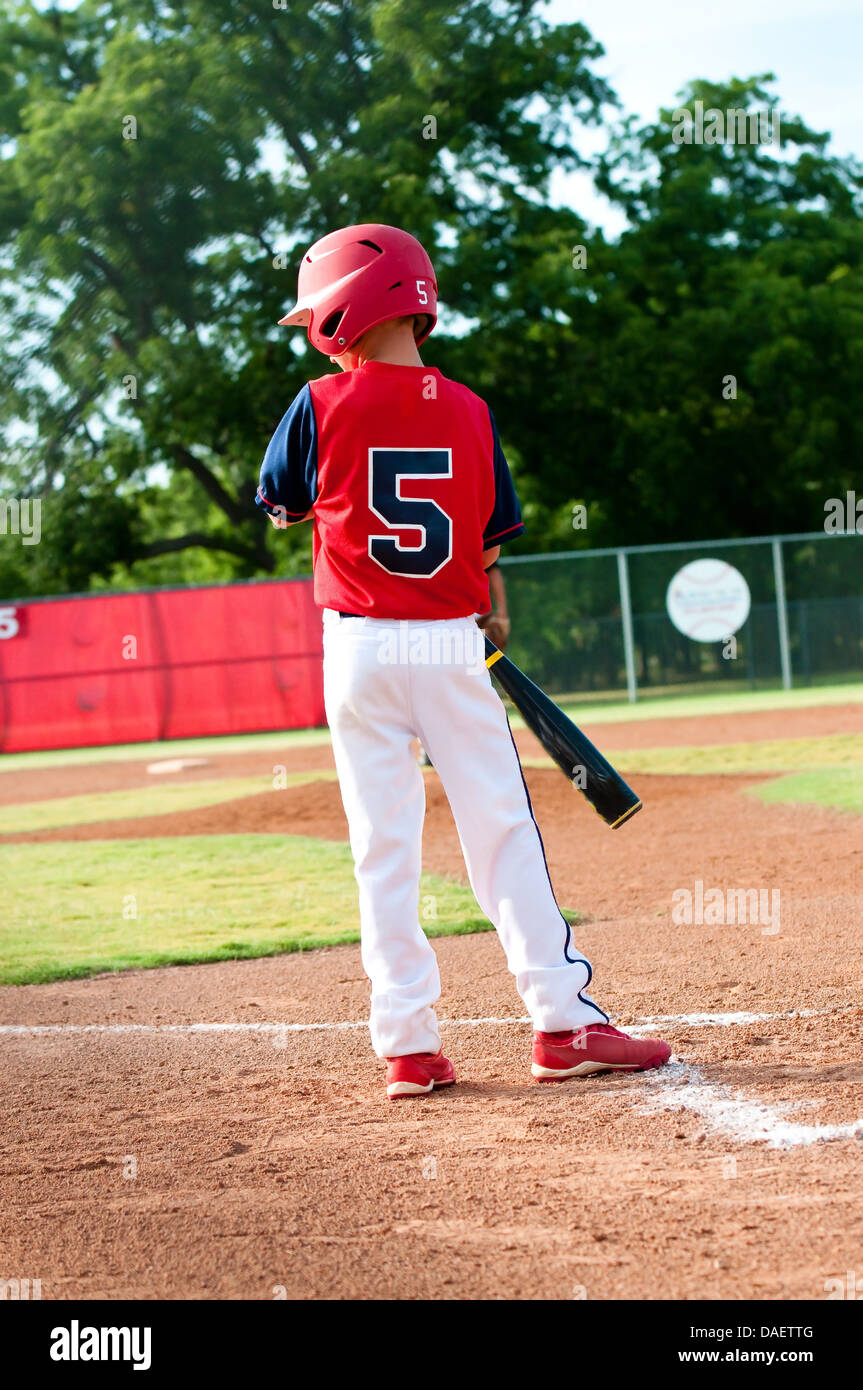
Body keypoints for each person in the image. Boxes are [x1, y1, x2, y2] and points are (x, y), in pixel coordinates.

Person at [256, 224, 671, 1099]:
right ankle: (562, 1023)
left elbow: (283, 507)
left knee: (383, 847)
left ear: (341, 309)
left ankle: (407, 1046)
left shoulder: (317, 403)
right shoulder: (472, 410)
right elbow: (486, 548)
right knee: (501, 833)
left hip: (357, 652)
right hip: (451, 644)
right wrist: (493, 608)